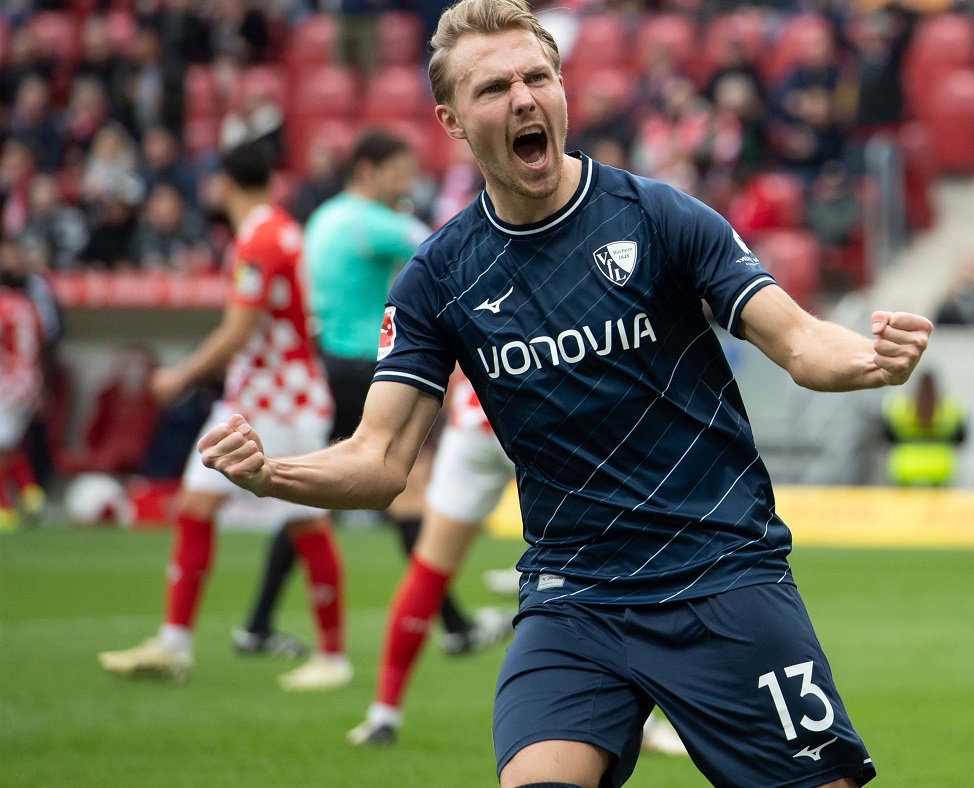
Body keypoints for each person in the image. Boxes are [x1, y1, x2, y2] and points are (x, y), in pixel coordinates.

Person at [196, 2, 931, 785]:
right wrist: (272, 475)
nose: (522, 98)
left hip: (720, 571)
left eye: (537, 77)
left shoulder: (658, 217)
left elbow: (800, 341)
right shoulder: (437, 279)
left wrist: (872, 358)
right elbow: (379, 461)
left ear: (561, 89)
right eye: (492, 88)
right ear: (451, 120)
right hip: (574, 599)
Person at [230, 131, 497, 659]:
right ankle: (452, 624)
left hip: (328, 366)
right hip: (369, 371)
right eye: (399, 173)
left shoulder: (324, 218)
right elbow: (453, 249)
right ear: (367, 171)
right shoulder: (375, 223)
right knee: (404, 490)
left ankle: (258, 624)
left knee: (318, 494)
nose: (407, 185)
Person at [98, 141, 350, 692]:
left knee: (305, 520)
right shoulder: (282, 229)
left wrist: (180, 376)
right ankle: (173, 644)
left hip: (278, 402)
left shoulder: (258, 239)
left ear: (224, 183)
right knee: (196, 505)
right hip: (263, 396)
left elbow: (238, 329)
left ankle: (333, 658)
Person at [347, 373, 686, 760]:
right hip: (545, 414)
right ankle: (643, 721)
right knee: (604, 564)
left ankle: (383, 714)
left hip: (476, 419)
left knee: (429, 569)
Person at [0, 240, 45, 530]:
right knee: (9, 444)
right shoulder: (27, 304)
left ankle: (4, 508)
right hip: (27, 380)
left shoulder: (3, 305)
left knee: (2, 446)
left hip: (8, 383)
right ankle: (30, 494)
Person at [881, 372, 967, 487]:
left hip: (905, 468)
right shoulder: (951, 407)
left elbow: (887, 437)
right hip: (941, 469)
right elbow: (961, 438)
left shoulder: (899, 407)